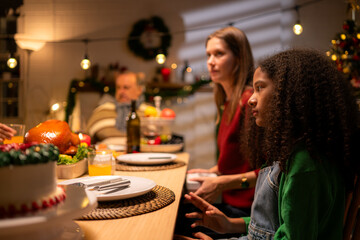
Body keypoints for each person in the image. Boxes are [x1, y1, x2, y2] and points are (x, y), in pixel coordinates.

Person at [178, 48, 359, 240]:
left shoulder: (305, 165)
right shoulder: (293, 152)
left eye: (260, 88)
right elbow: (272, 226)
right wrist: (229, 224)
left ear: (290, 94)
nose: (251, 100)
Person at [175, 26, 258, 238]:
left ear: (239, 58)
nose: (211, 61)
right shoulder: (228, 103)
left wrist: (219, 182)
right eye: (208, 55)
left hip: (248, 213)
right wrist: (209, 172)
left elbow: (268, 172)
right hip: (231, 204)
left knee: (172, 225)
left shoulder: (250, 103)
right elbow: (236, 162)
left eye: (219, 54)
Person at [86, 71, 147, 144]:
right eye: (118, 87)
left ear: (139, 90)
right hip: (107, 154)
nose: (121, 92)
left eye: (126, 87)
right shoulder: (102, 111)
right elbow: (87, 139)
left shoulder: (149, 112)